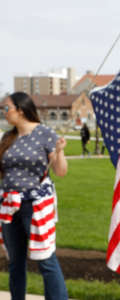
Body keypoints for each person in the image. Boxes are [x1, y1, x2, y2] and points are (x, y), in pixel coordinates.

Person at [0, 92, 68, 300]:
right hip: (9, 204)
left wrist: (59, 152)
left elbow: (61, 171)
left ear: (20, 109)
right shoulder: (7, 137)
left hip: (35, 205)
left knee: (45, 258)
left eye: (6, 108)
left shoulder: (45, 134)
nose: (3, 112)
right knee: (15, 262)